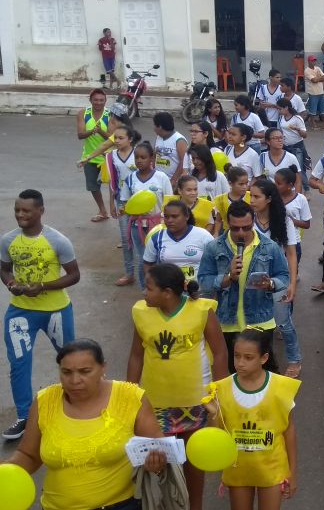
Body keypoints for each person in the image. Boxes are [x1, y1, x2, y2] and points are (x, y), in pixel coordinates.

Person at [5, 339, 168, 507]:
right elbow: (29, 455)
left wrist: (155, 462)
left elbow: (158, 446)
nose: (75, 380)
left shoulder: (129, 397)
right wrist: (6, 470)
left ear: (103, 367)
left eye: (85, 371)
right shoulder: (45, 401)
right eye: (66, 372)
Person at [127, 262, 227, 510]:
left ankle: (195, 506)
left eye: (149, 288)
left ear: (168, 292)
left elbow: (220, 352)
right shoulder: (141, 313)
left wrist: (221, 394)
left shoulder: (201, 310)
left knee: (194, 460)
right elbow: (136, 356)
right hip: (155, 404)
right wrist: (128, 395)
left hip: (195, 401)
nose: (144, 293)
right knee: (159, 463)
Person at [1, 190, 80, 441]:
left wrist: (43, 286)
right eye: (17, 210)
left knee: (71, 361)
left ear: (41, 211)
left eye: (26, 210)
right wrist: (11, 283)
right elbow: (4, 269)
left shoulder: (58, 241)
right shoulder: (8, 240)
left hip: (56, 311)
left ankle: (78, 406)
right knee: (19, 365)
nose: (20, 215)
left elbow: (74, 275)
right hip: (20, 312)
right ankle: (24, 416)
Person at [202, 330, 299, 510]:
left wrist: (292, 472)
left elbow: (289, 430)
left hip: (272, 469)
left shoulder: (281, 387)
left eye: (248, 358)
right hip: (238, 470)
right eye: (236, 356)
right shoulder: (220, 389)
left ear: (264, 358)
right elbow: (217, 436)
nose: (240, 363)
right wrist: (213, 414)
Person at [197, 200, 291, 373]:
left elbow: (284, 277)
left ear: (253, 221)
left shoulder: (269, 247)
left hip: (260, 322)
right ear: (227, 223)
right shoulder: (214, 247)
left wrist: (271, 284)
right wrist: (228, 278)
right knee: (233, 374)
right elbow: (204, 281)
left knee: (264, 374)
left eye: (246, 228)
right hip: (227, 323)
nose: (241, 233)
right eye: (235, 228)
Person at [249, 178, 301, 377]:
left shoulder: (284, 220)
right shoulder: (248, 220)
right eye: (251, 196)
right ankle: (262, 360)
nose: (252, 200)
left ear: (269, 199)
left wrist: (292, 284)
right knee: (256, 323)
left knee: (283, 322)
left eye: (257, 196)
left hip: (279, 278)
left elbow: (291, 253)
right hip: (253, 279)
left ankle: (294, 359)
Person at [126, 142, 174, 288]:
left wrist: (165, 221)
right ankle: (145, 289)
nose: (139, 160)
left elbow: (169, 201)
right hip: (137, 226)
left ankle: (161, 288)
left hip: (158, 225)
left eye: (143, 157)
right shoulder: (130, 179)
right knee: (143, 260)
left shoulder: (162, 177)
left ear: (152, 158)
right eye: (136, 157)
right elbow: (125, 204)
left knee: (159, 259)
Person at [101, 125, 143, 286]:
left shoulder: (139, 154)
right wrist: (111, 203)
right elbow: (112, 181)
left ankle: (145, 273)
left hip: (140, 201)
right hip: (122, 201)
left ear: (130, 139)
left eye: (120, 138)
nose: (117, 141)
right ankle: (129, 273)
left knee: (141, 238)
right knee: (126, 239)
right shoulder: (111, 156)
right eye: (115, 138)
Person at [143, 199, 213, 281]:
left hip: (199, 287)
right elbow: (148, 263)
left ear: (186, 217)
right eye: (166, 216)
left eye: (174, 216)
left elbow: (216, 261)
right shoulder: (157, 238)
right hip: (169, 287)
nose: (169, 220)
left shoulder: (203, 235)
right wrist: (152, 282)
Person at [78, 89, 115, 222]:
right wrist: (91, 131)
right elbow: (80, 135)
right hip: (90, 156)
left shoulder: (110, 114)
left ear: (105, 101)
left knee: (113, 186)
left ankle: (114, 210)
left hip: (108, 157)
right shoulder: (83, 113)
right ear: (90, 100)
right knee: (93, 186)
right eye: (95, 100)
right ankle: (102, 211)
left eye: (101, 100)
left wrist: (100, 131)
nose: (98, 103)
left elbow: (113, 138)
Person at [275, 98, 309, 183]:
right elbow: (279, 131)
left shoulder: (297, 118)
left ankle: (306, 187)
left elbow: (305, 135)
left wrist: (297, 129)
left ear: (286, 107)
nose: (278, 111)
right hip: (285, 147)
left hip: (297, 147)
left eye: (280, 109)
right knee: (287, 169)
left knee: (299, 169)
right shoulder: (281, 118)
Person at [214, 166, 250, 232]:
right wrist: (216, 233)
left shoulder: (251, 196)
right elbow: (218, 220)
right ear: (230, 183)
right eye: (241, 184)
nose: (245, 187)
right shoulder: (220, 200)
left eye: (246, 183)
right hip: (228, 233)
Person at [303, 54, 324, 129]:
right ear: (309, 61)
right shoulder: (307, 71)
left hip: (320, 91)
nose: (314, 62)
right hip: (312, 92)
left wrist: (317, 79)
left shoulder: (318, 68)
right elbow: (314, 80)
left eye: (314, 61)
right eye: (312, 61)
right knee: (313, 109)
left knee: (323, 109)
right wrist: (319, 78)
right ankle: (313, 123)